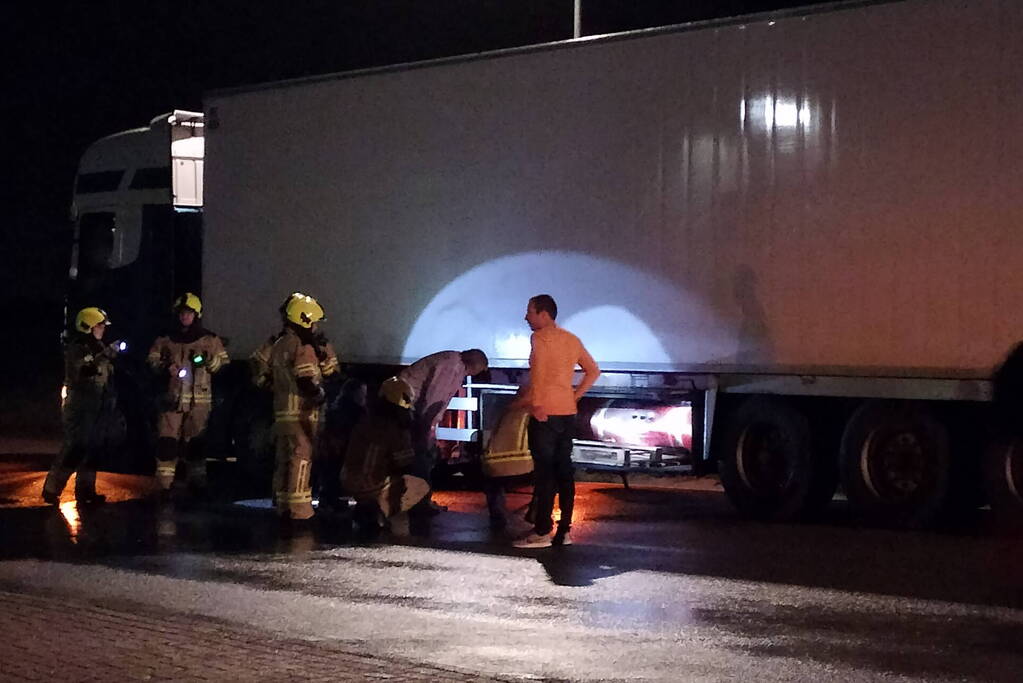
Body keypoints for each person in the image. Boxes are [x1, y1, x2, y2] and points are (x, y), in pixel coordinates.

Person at [512, 294, 600, 548]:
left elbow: (538, 373)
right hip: (567, 412)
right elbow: (593, 371)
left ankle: (541, 532)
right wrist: (575, 396)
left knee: (544, 473)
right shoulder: (571, 339)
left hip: (545, 413)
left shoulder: (540, 338)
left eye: (530, 312)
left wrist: (536, 404)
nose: (526, 317)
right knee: (564, 471)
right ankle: (564, 531)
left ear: (544, 314)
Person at [146, 293, 229, 497]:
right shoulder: (165, 339)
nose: (185, 317)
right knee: (167, 444)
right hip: (171, 401)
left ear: (196, 315)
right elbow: (151, 362)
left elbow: (223, 366)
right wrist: (165, 367)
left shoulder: (210, 340)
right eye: (182, 313)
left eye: (189, 313)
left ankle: (197, 483)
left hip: (198, 403)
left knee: (196, 444)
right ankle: (164, 487)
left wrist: (207, 360)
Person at [42, 307, 120, 505]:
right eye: (99, 325)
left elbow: (106, 378)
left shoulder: (98, 346)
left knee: (92, 449)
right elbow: (84, 370)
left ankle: (86, 491)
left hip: (97, 405)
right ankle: (52, 489)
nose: (103, 329)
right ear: (88, 327)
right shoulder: (78, 348)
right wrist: (105, 355)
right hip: (80, 405)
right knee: (76, 446)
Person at [269, 294, 336, 521]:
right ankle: (299, 510)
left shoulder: (280, 344)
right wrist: (320, 396)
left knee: (284, 461)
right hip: (300, 415)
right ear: (304, 319)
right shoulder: (303, 346)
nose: (315, 327)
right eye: (313, 322)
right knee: (301, 461)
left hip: (282, 415)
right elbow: (305, 379)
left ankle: (282, 506)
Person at [398, 349, 489, 513]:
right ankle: (419, 502)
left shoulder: (454, 363)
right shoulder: (451, 367)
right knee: (422, 457)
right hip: (405, 406)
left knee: (423, 457)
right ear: (475, 366)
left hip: (407, 405)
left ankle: (419, 500)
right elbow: (434, 400)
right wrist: (427, 431)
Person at [341, 377, 429, 537]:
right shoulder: (396, 429)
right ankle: (381, 510)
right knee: (420, 484)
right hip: (372, 483)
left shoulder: (365, 421)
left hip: (349, 480)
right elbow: (405, 464)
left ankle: (366, 505)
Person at [316, 377, 367, 509]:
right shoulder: (356, 412)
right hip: (343, 449)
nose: (364, 397)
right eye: (362, 393)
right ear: (354, 394)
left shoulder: (336, 409)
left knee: (331, 476)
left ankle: (329, 500)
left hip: (334, 450)